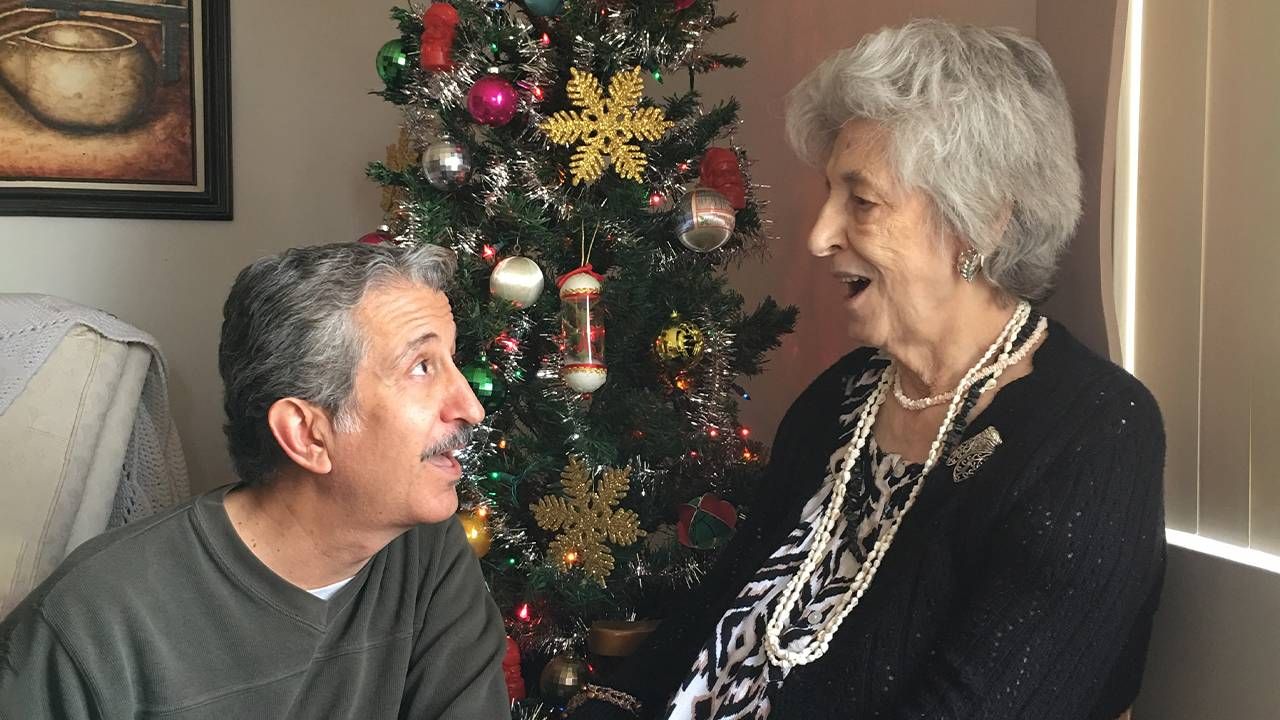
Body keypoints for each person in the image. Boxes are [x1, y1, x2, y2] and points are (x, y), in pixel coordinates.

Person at [568, 19, 1165, 720]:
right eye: (830, 193)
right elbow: (719, 604)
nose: (820, 235)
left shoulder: (1090, 438)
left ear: (983, 222)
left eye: (863, 200)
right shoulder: (842, 397)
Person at [0, 242, 511, 719]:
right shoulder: (89, 624)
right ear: (307, 434)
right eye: (421, 367)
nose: (471, 406)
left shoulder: (427, 552)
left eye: (451, 360)